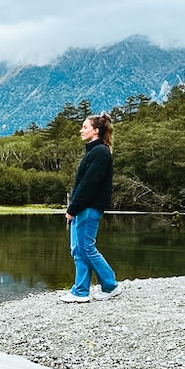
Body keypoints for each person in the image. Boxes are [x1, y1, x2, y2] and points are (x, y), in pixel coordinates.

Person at [62, 113, 122, 302]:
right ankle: (80, 291)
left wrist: (72, 209)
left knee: (86, 248)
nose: (81, 130)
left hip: (88, 207)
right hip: (84, 207)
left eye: (85, 127)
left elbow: (89, 185)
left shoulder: (100, 153)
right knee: (78, 249)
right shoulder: (94, 151)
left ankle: (110, 285)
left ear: (96, 130)